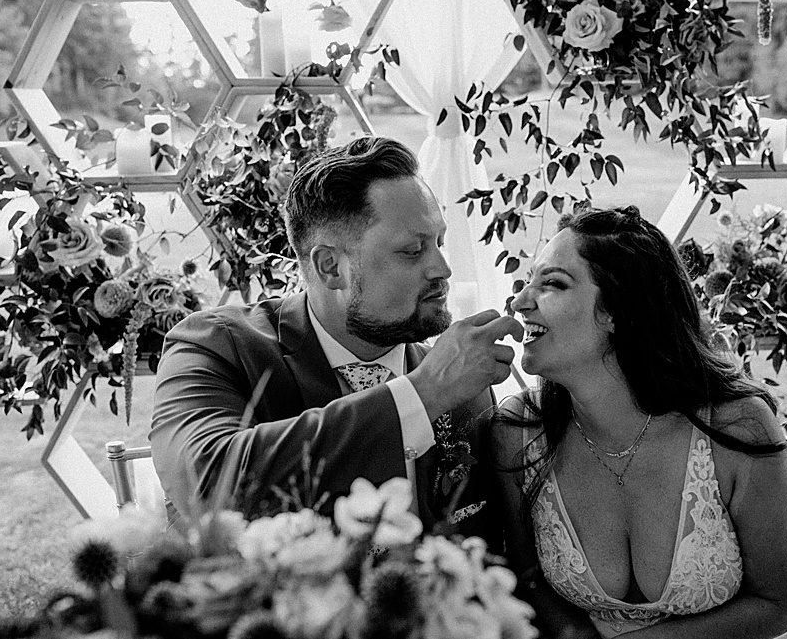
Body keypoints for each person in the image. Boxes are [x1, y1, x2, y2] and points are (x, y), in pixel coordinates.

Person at [149, 136, 521, 534]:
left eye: (439, 243)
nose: (442, 269)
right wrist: (422, 395)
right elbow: (205, 485)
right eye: (413, 251)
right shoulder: (215, 347)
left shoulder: (463, 381)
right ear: (330, 267)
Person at [487, 206, 787, 638]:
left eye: (553, 284)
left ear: (618, 311)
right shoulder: (520, 431)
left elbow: (778, 603)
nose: (520, 302)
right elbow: (527, 577)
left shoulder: (737, 426)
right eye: (528, 283)